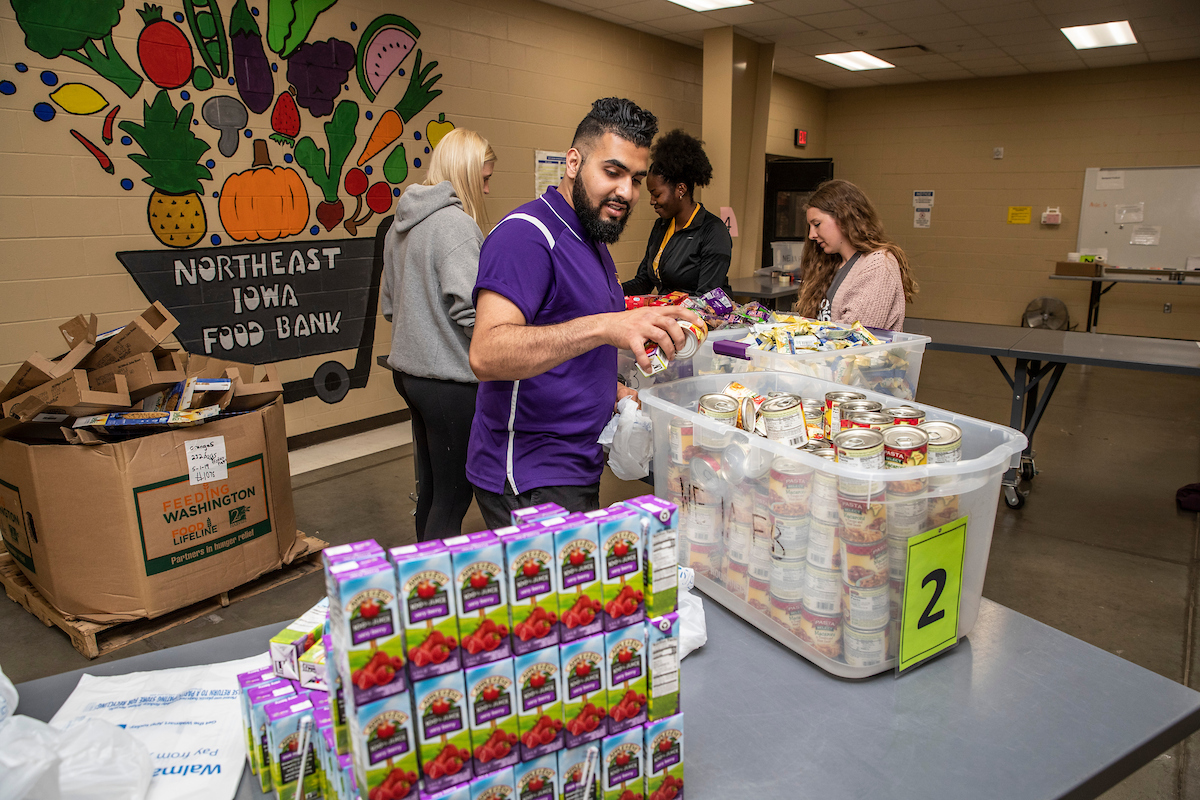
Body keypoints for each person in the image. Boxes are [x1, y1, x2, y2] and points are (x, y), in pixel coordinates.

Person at [467, 98, 702, 529]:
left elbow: (568, 343)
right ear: (574, 162)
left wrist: (610, 390)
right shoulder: (526, 235)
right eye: (612, 173)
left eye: (635, 178)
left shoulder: (591, 239)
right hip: (532, 475)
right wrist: (607, 326)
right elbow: (487, 353)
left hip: (578, 462)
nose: (626, 192)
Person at [381, 128, 496, 540]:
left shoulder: (400, 226)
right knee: (452, 498)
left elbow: (391, 305)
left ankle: (419, 577)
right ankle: (434, 596)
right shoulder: (456, 227)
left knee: (430, 489)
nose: (486, 187)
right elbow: (473, 315)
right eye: (483, 177)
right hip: (449, 384)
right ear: (463, 173)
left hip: (410, 377)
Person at [794, 179, 918, 331]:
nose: (812, 235)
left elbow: (855, 336)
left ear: (844, 217)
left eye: (817, 224)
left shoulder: (879, 264)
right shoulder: (833, 263)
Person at [622, 129, 732, 297]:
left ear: (681, 189)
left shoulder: (713, 231)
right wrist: (610, 292)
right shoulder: (662, 226)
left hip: (701, 320)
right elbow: (644, 281)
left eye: (656, 194)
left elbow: (707, 298)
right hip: (670, 315)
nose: (652, 201)